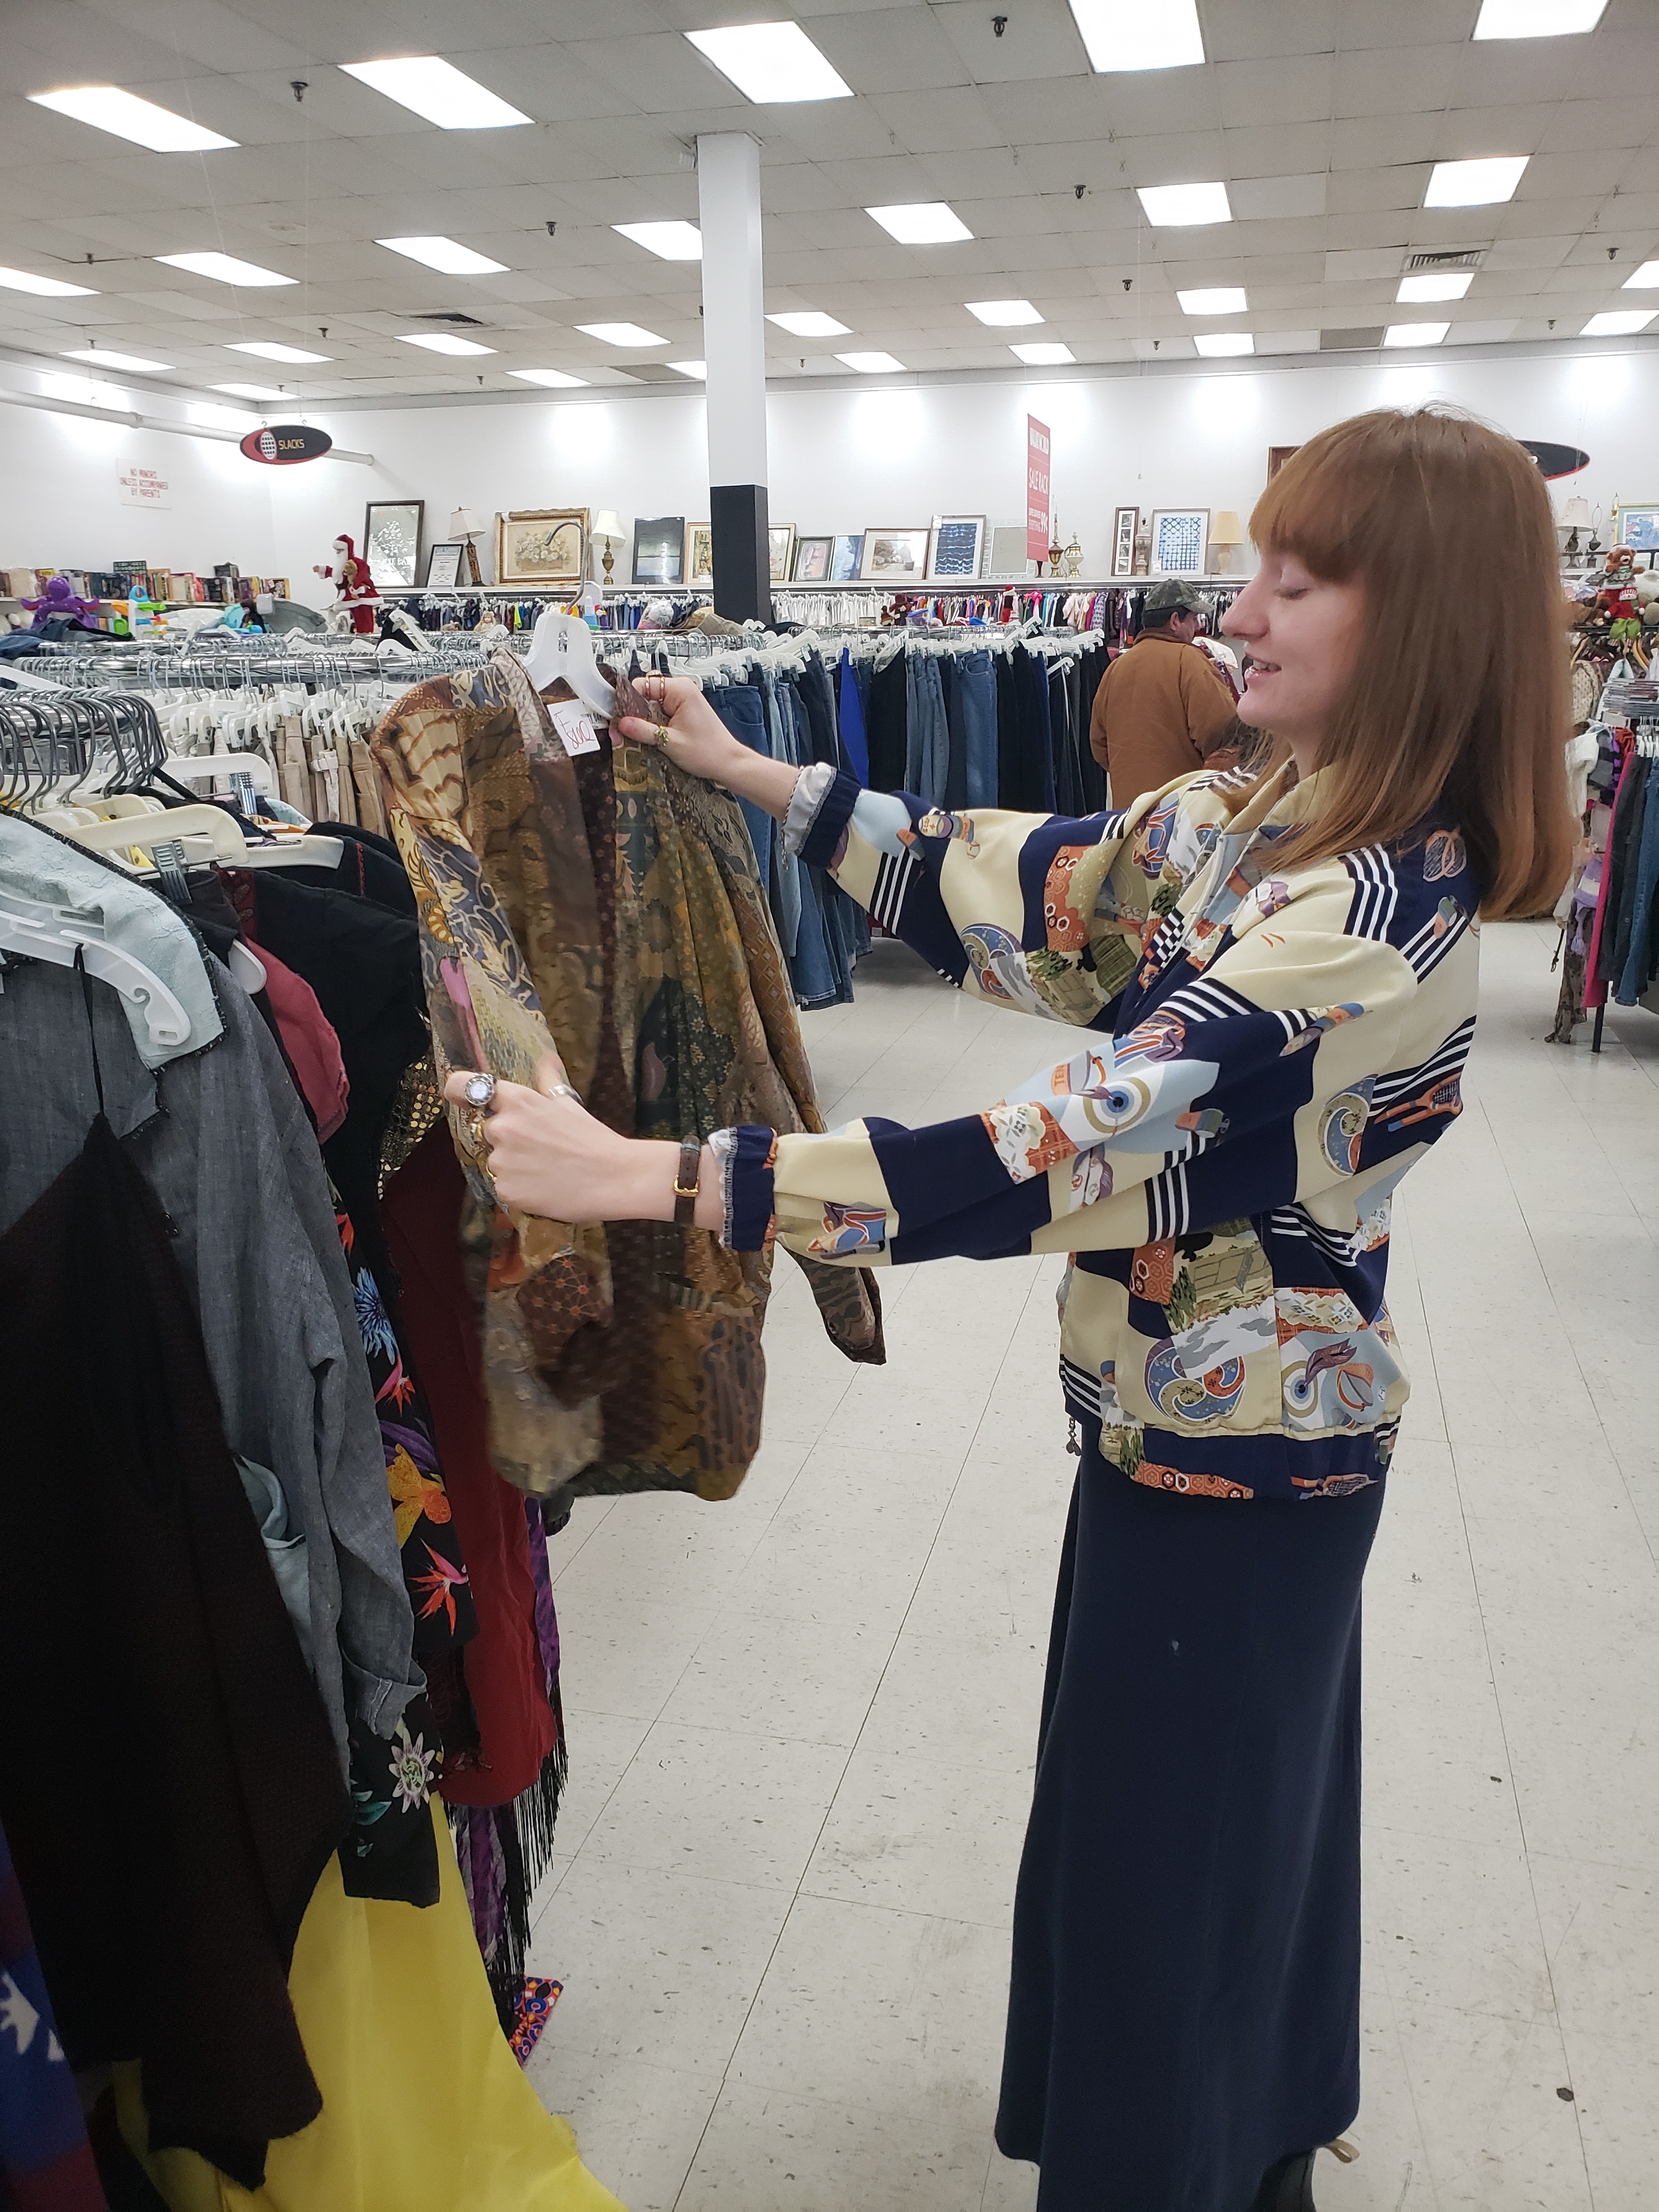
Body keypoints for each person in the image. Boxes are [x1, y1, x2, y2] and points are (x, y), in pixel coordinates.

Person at [443, 408, 1574, 2212]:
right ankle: (1243, 2139)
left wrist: (662, 1177)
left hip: (1245, 1478)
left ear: (1423, 618)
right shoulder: (1254, 813)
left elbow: (1056, 1146)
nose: (1244, 605)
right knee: (1200, 1846)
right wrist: (751, 771)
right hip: (1174, 1429)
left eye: (1305, 577)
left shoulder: (1372, 919)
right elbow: (1033, 880)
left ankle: (1182, 2161)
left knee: (1168, 1863)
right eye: (1255, 564)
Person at [1090, 576, 1238, 804]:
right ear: (1175, 621)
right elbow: (1221, 731)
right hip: (1179, 812)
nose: (1198, 626)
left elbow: (1099, 744)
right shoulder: (1189, 661)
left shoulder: (1116, 668)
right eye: (1194, 618)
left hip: (1129, 813)